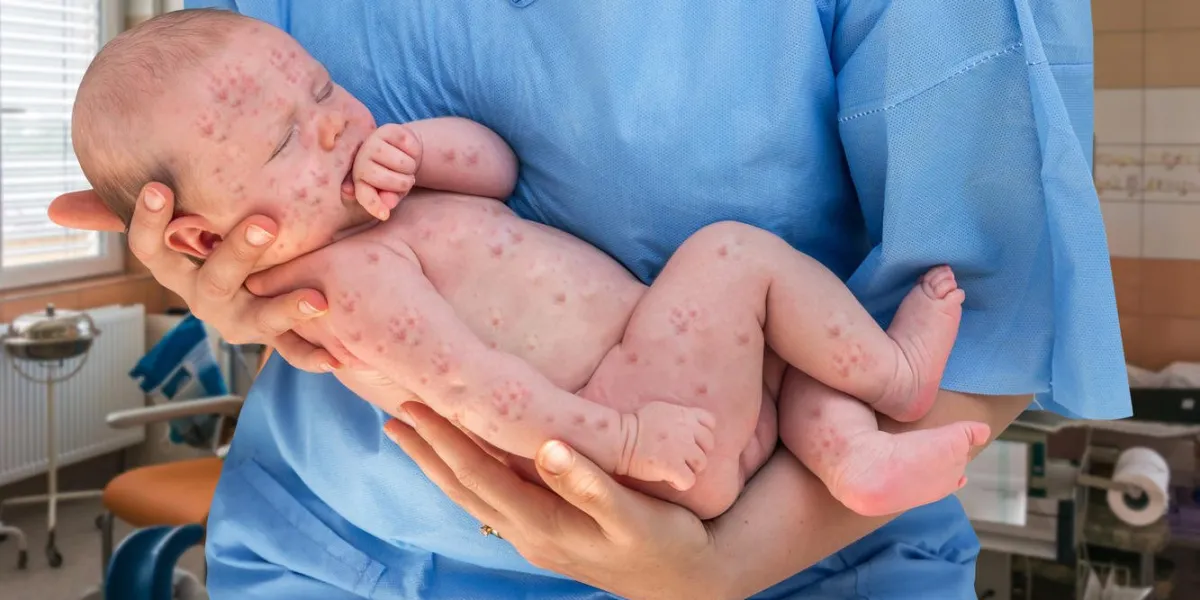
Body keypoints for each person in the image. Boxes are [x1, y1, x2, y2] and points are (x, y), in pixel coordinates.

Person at [51, 1, 1131, 598]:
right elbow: (473, 385)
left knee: (785, 345)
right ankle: (873, 392)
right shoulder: (359, 273)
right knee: (741, 276)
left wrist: (732, 566)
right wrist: (238, 299)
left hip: (793, 553)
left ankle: (857, 436)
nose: (332, 120)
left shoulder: (377, 182)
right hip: (395, 529)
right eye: (294, 133)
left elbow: (1005, 304)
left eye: (326, 90)